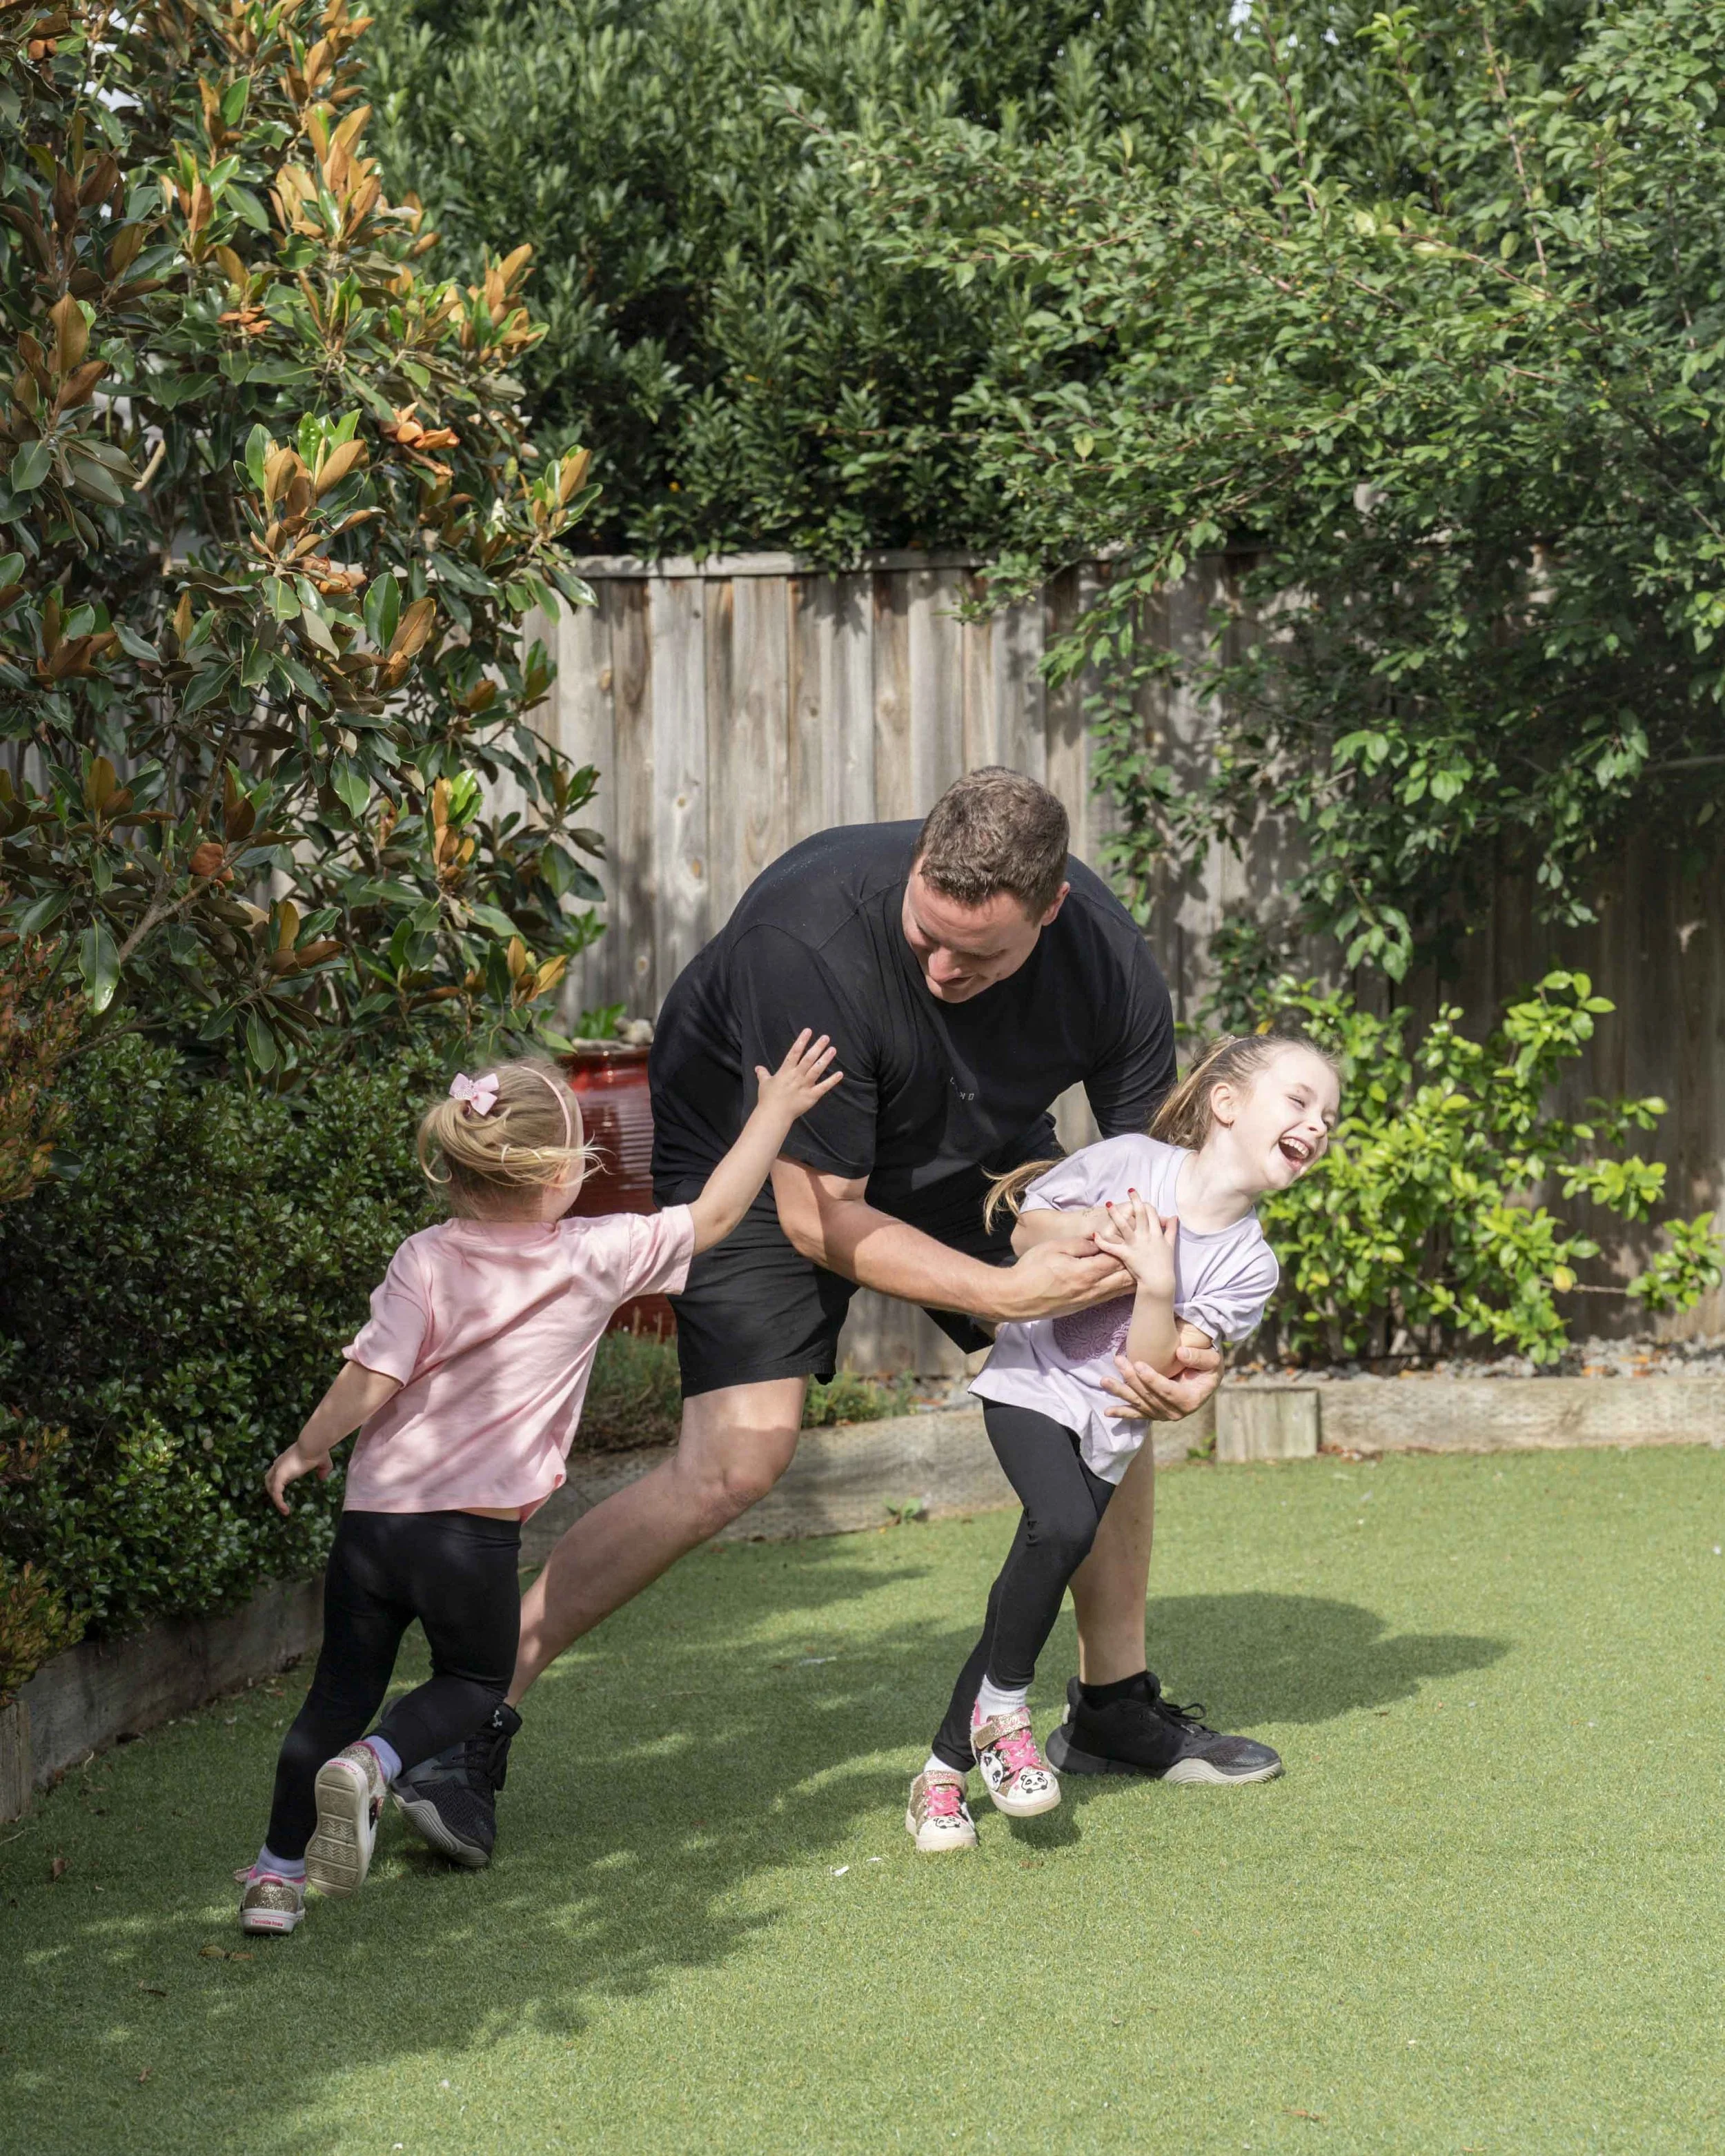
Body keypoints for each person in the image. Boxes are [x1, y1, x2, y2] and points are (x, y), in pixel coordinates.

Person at [393, 768, 1279, 1864]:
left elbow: (1170, 1199)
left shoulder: (1103, 958)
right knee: (737, 1459)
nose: (944, 971)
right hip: (764, 1160)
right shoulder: (807, 940)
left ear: (1050, 912)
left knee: (1109, 1376)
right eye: (927, 940)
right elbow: (822, 1220)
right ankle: (461, 1717)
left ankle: (1111, 1705)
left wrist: (1192, 1350)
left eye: (982, 957)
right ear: (917, 867)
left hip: (971, 1145)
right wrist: (1006, 1294)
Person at [237, 1031, 841, 1936]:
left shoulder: (424, 1258)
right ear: (562, 1172)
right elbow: (716, 1214)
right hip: (468, 1537)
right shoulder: (594, 1255)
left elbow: (373, 1376)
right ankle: (376, 1762)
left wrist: (308, 1447)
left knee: (333, 1692)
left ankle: (276, 1881)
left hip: (373, 1526)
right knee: (477, 1681)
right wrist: (775, 1113)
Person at [906, 1031, 1340, 1850]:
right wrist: (1091, 1232)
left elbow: (1142, 1373)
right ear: (1226, 1103)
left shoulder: (1250, 1264)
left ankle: (938, 1775)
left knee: (1025, 1581)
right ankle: (1005, 1710)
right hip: (1030, 1385)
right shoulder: (1129, 1161)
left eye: (1329, 1117)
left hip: (1106, 1420)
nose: (1317, 1125)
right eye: (1299, 1101)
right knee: (1064, 1527)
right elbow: (1025, 1234)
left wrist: (1157, 1277)